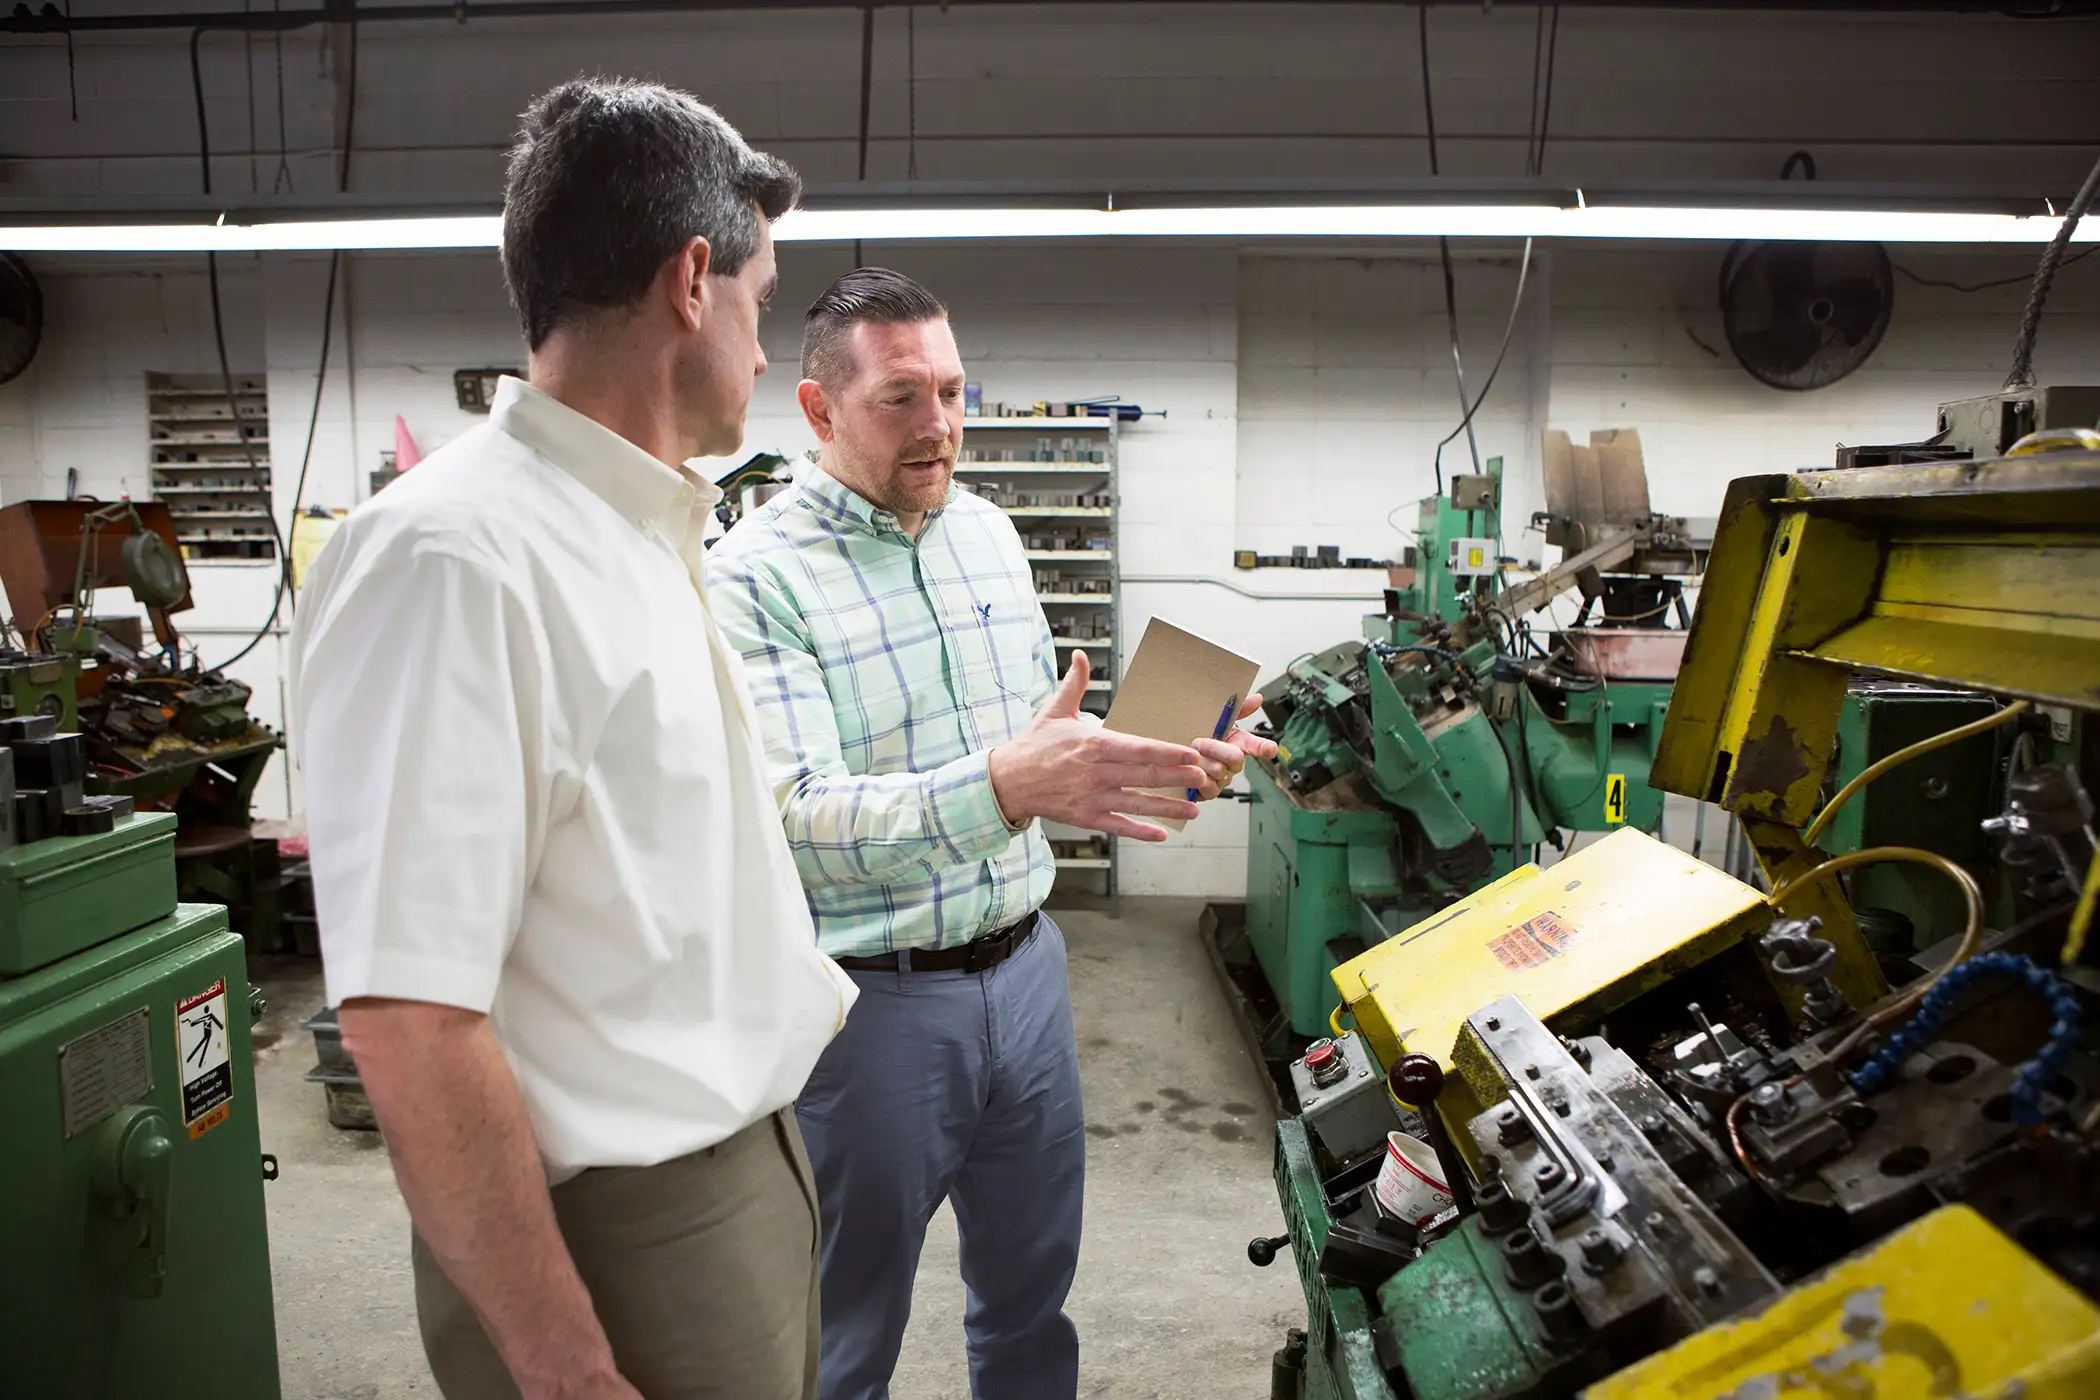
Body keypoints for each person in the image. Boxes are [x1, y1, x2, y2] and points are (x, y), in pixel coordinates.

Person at [292, 79, 854, 1400]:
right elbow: (408, 1018)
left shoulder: (639, 531)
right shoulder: (454, 557)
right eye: (765, 308)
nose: (768, 358)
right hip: (621, 1236)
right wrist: (562, 1366)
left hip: (743, 1172)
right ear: (693, 280)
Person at [707, 267, 1276, 1400]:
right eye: (902, 399)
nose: (942, 428)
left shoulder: (987, 534)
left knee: (1029, 1299)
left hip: (1025, 974)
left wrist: (1155, 748)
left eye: (956, 392)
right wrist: (1007, 789)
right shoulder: (750, 579)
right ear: (819, 410)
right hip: (868, 1012)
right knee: (838, 1330)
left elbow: (1033, 737)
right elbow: (791, 815)